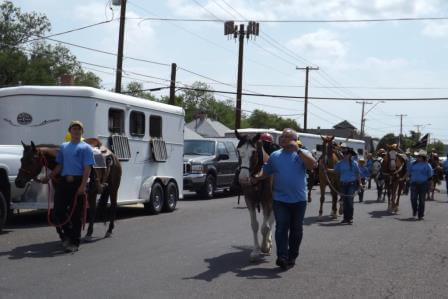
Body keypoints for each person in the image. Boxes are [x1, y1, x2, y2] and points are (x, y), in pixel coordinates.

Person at [255, 128, 316, 270]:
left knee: (296, 229)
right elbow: (266, 171)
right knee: (281, 228)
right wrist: (255, 178)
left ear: (294, 140)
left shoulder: (302, 153)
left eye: (287, 137)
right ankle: (282, 256)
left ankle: (292, 256)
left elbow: (312, 165)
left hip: (299, 200)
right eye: (282, 136)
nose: (283, 139)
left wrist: (298, 151)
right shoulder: (275, 155)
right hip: (280, 199)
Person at [44, 120, 94, 252]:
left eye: (79, 129)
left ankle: (74, 242)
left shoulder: (86, 148)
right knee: (58, 211)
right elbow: (60, 165)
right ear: (70, 131)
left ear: (82, 132)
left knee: (76, 213)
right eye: (74, 129)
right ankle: (68, 233)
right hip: (64, 182)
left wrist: (83, 186)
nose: (76, 131)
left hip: (78, 182)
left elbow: (87, 168)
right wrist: (49, 176)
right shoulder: (64, 147)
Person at [327, 146, 361, 224]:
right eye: (344, 153)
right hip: (343, 184)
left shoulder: (354, 163)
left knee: (349, 201)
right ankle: (346, 218)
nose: (344, 154)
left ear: (350, 154)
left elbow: (358, 173)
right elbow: (335, 171)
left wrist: (360, 183)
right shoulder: (340, 163)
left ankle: (350, 218)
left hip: (351, 184)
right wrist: (327, 170)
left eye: (346, 153)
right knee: (344, 201)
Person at [409, 150, 433, 220]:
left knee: (422, 200)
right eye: (417, 156)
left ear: (423, 157)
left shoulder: (427, 165)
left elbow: (430, 177)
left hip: (423, 184)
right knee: (413, 199)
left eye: (419, 156)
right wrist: (404, 179)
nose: (417, 157)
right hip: (414, 184)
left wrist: (431, 185)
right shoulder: (412, 164)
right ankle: (415, 211)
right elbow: (409, 173)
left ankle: (420, 214)